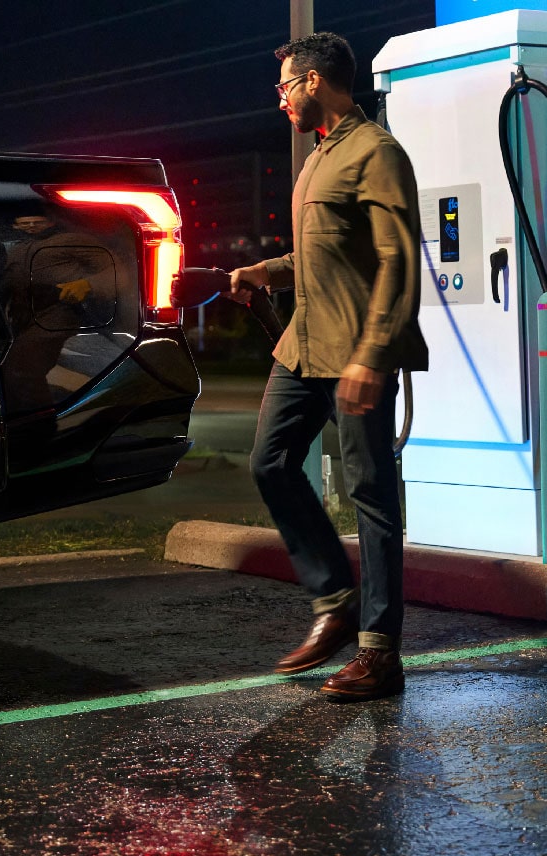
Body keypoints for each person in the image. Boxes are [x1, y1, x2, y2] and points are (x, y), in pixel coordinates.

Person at [229, 32, 427, 702]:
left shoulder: (377, 154)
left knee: (370, 491)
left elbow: (398, 261)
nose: (279, 99)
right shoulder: (318, 159)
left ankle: (379, 653)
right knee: (270, 460)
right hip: (303, 345)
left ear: (314, 81)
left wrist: (374, 356)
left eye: (285, 86)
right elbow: (323, 254)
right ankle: (334, 600)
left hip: (354, 351)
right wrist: (268, 271)